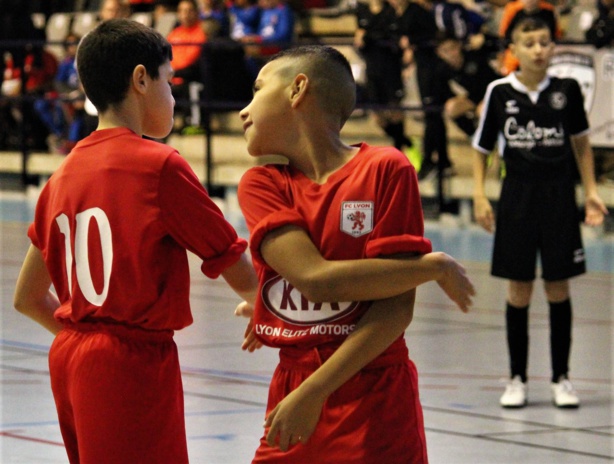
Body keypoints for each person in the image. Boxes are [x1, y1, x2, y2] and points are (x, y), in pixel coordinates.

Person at [13, 19, 259, 464]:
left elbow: (27, 298)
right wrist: (281, 311)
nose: (173, 95)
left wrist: (86, 342)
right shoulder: (159, 165)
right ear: (141, 79)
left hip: (69, 358)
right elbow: (232, 260)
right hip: (129, 363)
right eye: (169, 81)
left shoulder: (62, 174)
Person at [236, 45, 475, 463]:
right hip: (294, 385)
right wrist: (429, 267)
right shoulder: (261, 184)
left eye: (257, 90)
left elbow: (393, 312)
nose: (244, 110)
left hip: (374, 393)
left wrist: (314, 391)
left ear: (297, 89)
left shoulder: (386, 168)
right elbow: (312, 277)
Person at [472, 17, 608, 409]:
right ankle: (516, 378)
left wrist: (593, 192)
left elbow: (582, 145)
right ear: (513, 49)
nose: (538, 49)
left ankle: (561, 379)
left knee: (558, 288)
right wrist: (480, 196)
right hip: (517, 198)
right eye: (529, 43)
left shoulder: (566, 91)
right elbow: (481, 149)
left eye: (545, 42)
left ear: (553, 47)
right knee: (518, 290)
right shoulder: (499, 92)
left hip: (559, 198)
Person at [354, 0, 415, 153]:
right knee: (377, 114)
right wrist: (359, 39)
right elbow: (359, 40)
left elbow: (401, 38)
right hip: (372, 68)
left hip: (391, 67)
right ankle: (406, 142)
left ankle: (400, 150)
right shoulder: (362, 11)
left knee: (395, 110)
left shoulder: (392, 11)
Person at [435, 34, 501, 138]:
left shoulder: (475, 56)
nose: (451, 54)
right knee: (451, 108)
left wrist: (484, 37)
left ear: (459, 45)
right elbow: (445, 94)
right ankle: (474, 136)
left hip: (493, 93)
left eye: (453, 48)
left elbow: (497, 44)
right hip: (473, 98)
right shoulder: (442, 70)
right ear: (439, 53)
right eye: (445, 51)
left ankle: (493, 140)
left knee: (483, 110)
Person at [498, 0, 561, 75]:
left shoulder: (548, 10)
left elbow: (556, 36)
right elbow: (504, 36)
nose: (529, 1)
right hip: (515, 53)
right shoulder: (513, 9)